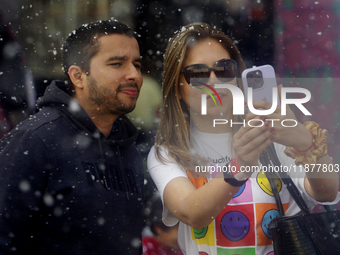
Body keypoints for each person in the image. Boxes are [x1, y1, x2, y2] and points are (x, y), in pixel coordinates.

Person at [147, 22, 340, 255]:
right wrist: (240, 166)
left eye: (224, 69)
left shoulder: (272, 132)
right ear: (177, 87)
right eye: (197, 73)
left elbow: (327, 193)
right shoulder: (168, 152)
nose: (213, 81)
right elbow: (192, 213)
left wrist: (306, 143)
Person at [0, 19, 144, 254]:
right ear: (78, 76)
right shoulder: (35, 140)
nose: (134, 75)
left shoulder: (128, 148)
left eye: (137, 64)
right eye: (117, 64)